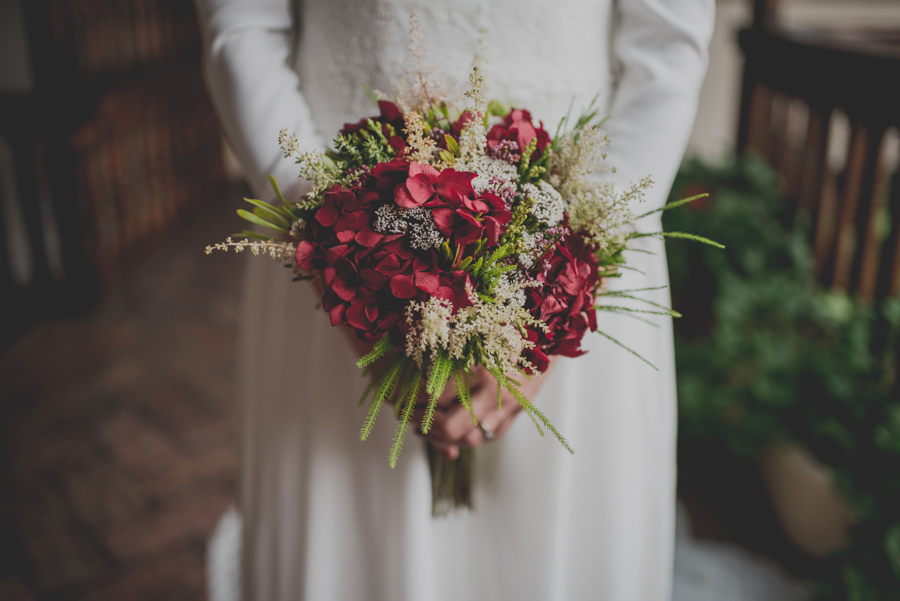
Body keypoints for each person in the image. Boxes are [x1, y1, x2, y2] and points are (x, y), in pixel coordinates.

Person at [195, 1, 714, 599]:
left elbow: (669, 50)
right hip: (330, 220)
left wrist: (562, 293)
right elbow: (241, 25)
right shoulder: (331, 241)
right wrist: (333, 252)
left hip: (579, 236)